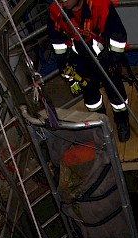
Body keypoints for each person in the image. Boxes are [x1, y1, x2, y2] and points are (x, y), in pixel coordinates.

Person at [47, 0, 131, 142]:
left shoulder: (100, 4)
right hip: (79, 58)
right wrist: (63, 63)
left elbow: (118, 35)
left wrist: (113, 60)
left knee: (116, 94)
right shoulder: (57, 10)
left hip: (104, 57)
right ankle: (99, 123)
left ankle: (122, 122)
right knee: (91, 98)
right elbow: (56, 39)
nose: (62, 0)